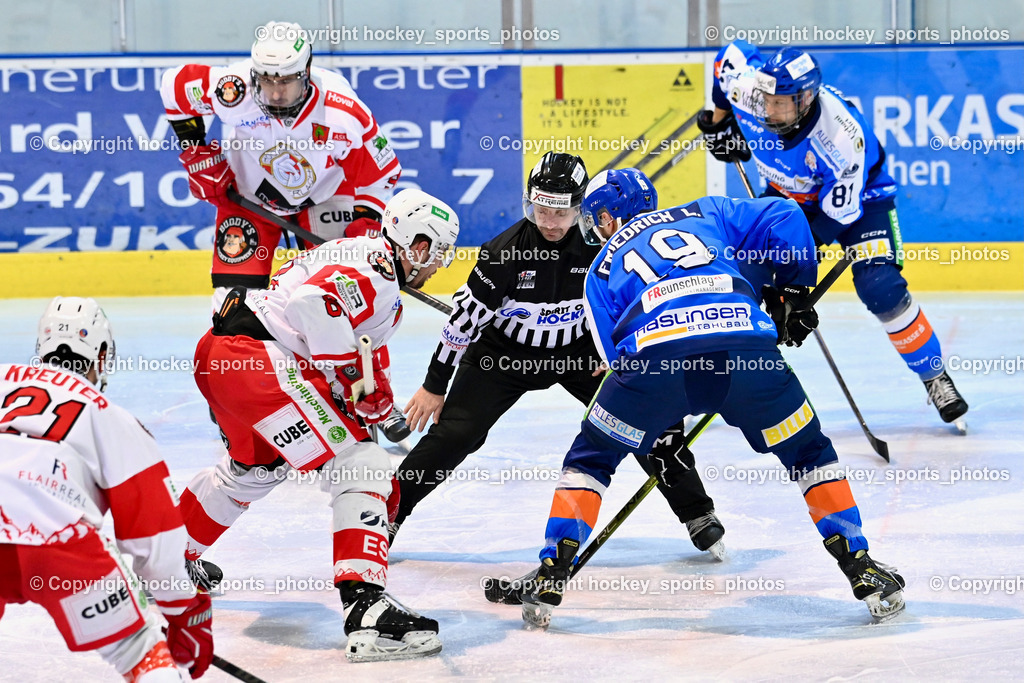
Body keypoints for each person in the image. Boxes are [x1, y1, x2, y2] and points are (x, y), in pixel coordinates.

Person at [520, 169, 906, 630]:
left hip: (656, 363)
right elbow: (785, 215)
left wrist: (658, 423)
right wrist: (794, 293)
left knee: (592, 458)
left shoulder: (600, 267)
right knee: (808, 452)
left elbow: (615, 358)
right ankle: (859, 564)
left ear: (610, 215)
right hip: (745, 353)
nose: (595, 227)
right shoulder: (706, 211)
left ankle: (552, 568)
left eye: (597, 217)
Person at [395, 152, 725, 562]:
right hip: (502, 357)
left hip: (581, 355)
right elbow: (461, 325)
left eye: (561, 211)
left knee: (649, 418)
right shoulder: (502, 254)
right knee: (456, 435)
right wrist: (433, 385)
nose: (549, 221)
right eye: (541, 208)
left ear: (581, 208)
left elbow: (633, 309)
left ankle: (697, 511)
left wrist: (621, 355)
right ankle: (388, 515)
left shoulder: (604, 251)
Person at [177, 189, 459, 662]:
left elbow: (353, 341)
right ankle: (366, 607)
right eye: (439, 254)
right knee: (362, 464)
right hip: (256, 360)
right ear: (419, 244)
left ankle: (160, 560)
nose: (439, 267)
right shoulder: (378, 267)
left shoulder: (369, 262)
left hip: (226, 357)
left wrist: (369, 391)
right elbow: (312, 305)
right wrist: (353, 381)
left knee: (252, 472)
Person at [160, 20, 411, 442]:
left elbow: (380, 174)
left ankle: (372, 393)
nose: (276, 92)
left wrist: (364, 230)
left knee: (352, 296)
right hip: (252, 202)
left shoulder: (342, 110)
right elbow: (173, 88)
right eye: (268, 81)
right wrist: (198, 154)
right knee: (228, 307)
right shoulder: (233, 88)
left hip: (326, 200)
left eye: (288, 82)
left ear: (307, 72)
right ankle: (235, 409)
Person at [696, 40, 968, 428]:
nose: (769, 110)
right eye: (767, 101)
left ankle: (934, 375)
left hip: (860, 204)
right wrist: (719, 120)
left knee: (881, 286)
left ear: (805, 99)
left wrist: (794, 278)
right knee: (742, 279)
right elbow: (729, 58)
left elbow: (832, 218)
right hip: (787, 196)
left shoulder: (841, 139)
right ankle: (709, 384)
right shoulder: (755, 92)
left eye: (781, 103)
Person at [0, 297, 213, 680]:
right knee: (138, 651)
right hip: (58, 539)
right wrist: (186, 613)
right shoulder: (108, 415)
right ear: (101, 356)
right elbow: (155, 536)